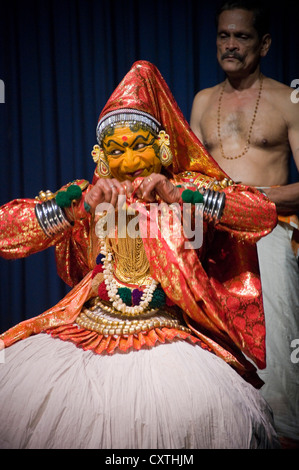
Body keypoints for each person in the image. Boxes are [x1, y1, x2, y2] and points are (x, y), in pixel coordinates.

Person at [0, 60, 279, 449]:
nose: (129, 163)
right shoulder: (87, 196)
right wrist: (73, 210)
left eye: (138, 147)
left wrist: (179, 196)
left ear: (162, 147)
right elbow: (5, 232)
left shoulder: (185, 190)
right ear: (101, 156)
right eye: (115, 151)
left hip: (170, 337)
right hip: (88, 329)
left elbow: (261, 214)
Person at [190, 0, 299, 447]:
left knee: (276, 348)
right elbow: (188, 180)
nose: (231, 45)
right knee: (212, 347)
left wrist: (253, 200)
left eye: (242, 36)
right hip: (211, 236)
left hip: (268, 232)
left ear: (265, 43)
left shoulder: (287, 99)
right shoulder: (201, 101)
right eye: (223, 35)